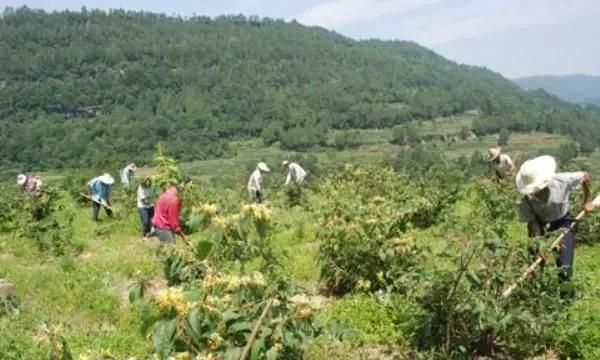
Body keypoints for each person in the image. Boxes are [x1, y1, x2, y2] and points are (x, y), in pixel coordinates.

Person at [516, 155, 594, 282]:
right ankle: (533, 292)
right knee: (535, 262)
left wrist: (586, 201)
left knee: (564, 267)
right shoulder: (526, 200)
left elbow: (585, 176)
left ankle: (566, 297)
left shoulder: (562, 181)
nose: (536, 192)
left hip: (563, 223)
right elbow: (533, 224)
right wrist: (540, 245)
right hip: (541, 226)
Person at [152, 176, 192, 246]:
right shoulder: (174, 199)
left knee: (166, 249)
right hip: (163, 227)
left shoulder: (170, 191)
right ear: (182, 185)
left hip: (159, 224)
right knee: (171, 251)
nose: (189, 190)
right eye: (189, 187)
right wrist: (184, 237)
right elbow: (174, 223)